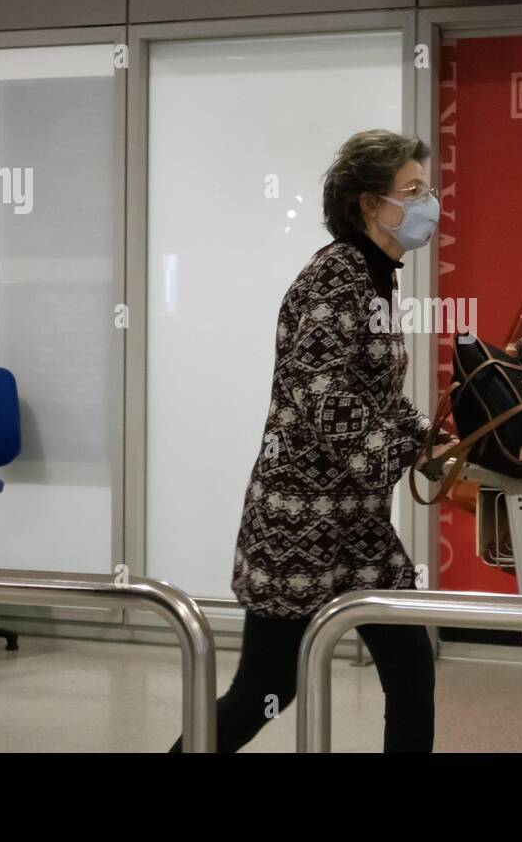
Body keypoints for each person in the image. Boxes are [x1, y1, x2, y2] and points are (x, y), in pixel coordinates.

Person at [172, 130, 444, 753]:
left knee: (409, 669)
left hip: (357, 526)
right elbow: (325, 399)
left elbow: (374, 395)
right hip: (299, 526)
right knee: (265, 690)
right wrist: (398, 452)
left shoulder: (379, 278)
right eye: (413, 190)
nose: (428, 202)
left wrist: (431, 439)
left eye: (426, 187)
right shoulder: (335, 277)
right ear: (370, 204)